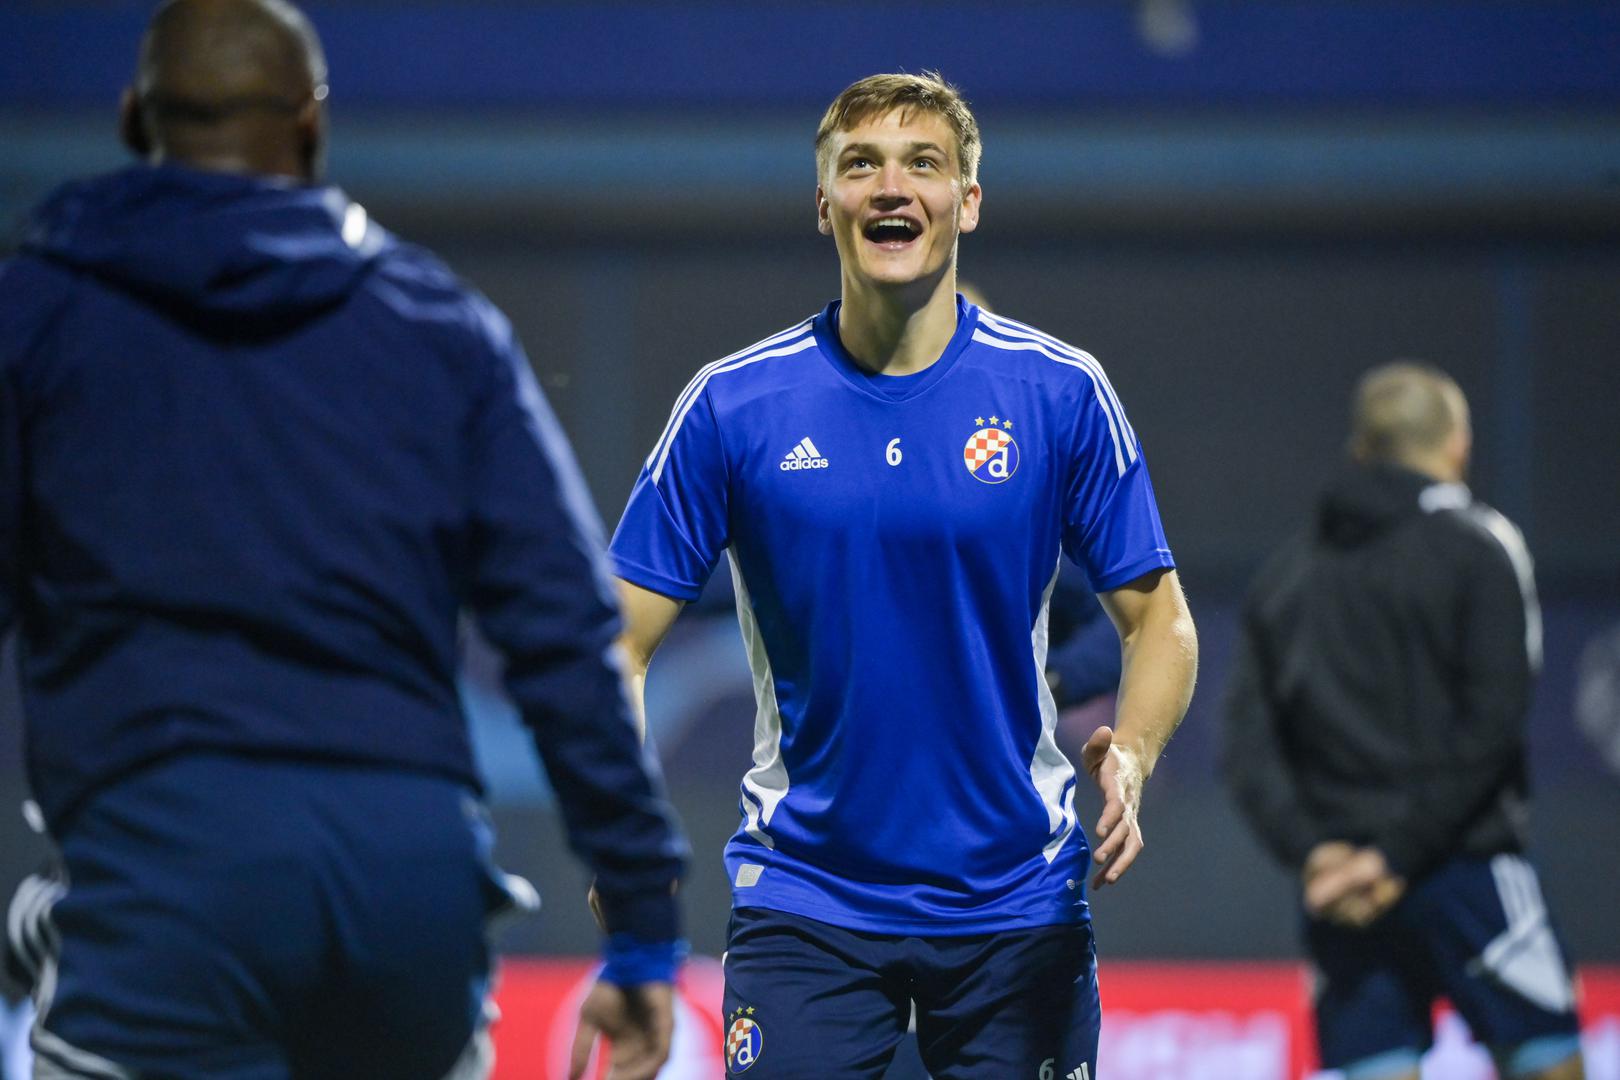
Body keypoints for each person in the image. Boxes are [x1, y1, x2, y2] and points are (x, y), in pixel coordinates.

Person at [0, 2, 686, 1077]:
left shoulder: (35, 319)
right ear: (312, 124)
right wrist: (642, 922)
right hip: (402, 894)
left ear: (135, 118)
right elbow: (565, 636)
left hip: (168, 876)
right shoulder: (440, 327)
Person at [610, 72, 1198, 1079]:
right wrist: (622, 832)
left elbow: (1161, 623)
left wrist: (1134, 755)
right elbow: (616, 642)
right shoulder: (732, 406)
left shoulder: (1059, 393)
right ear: (823, 203)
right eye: (861, 165)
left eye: (922, 163)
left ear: (968, 201)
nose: (891, 187)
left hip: (1016, 900)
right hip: (806, 898)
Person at [1222, 363, 1585, 1080]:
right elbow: (1494, 724)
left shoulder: (1287, 574)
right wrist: (1396, 856)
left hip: (1341, 890)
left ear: (1362, 449)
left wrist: (1317, 854)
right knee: (1548, 1060)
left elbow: (1247, 747)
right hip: (1464, 865)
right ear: (1458, 443)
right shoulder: (1481, 547)